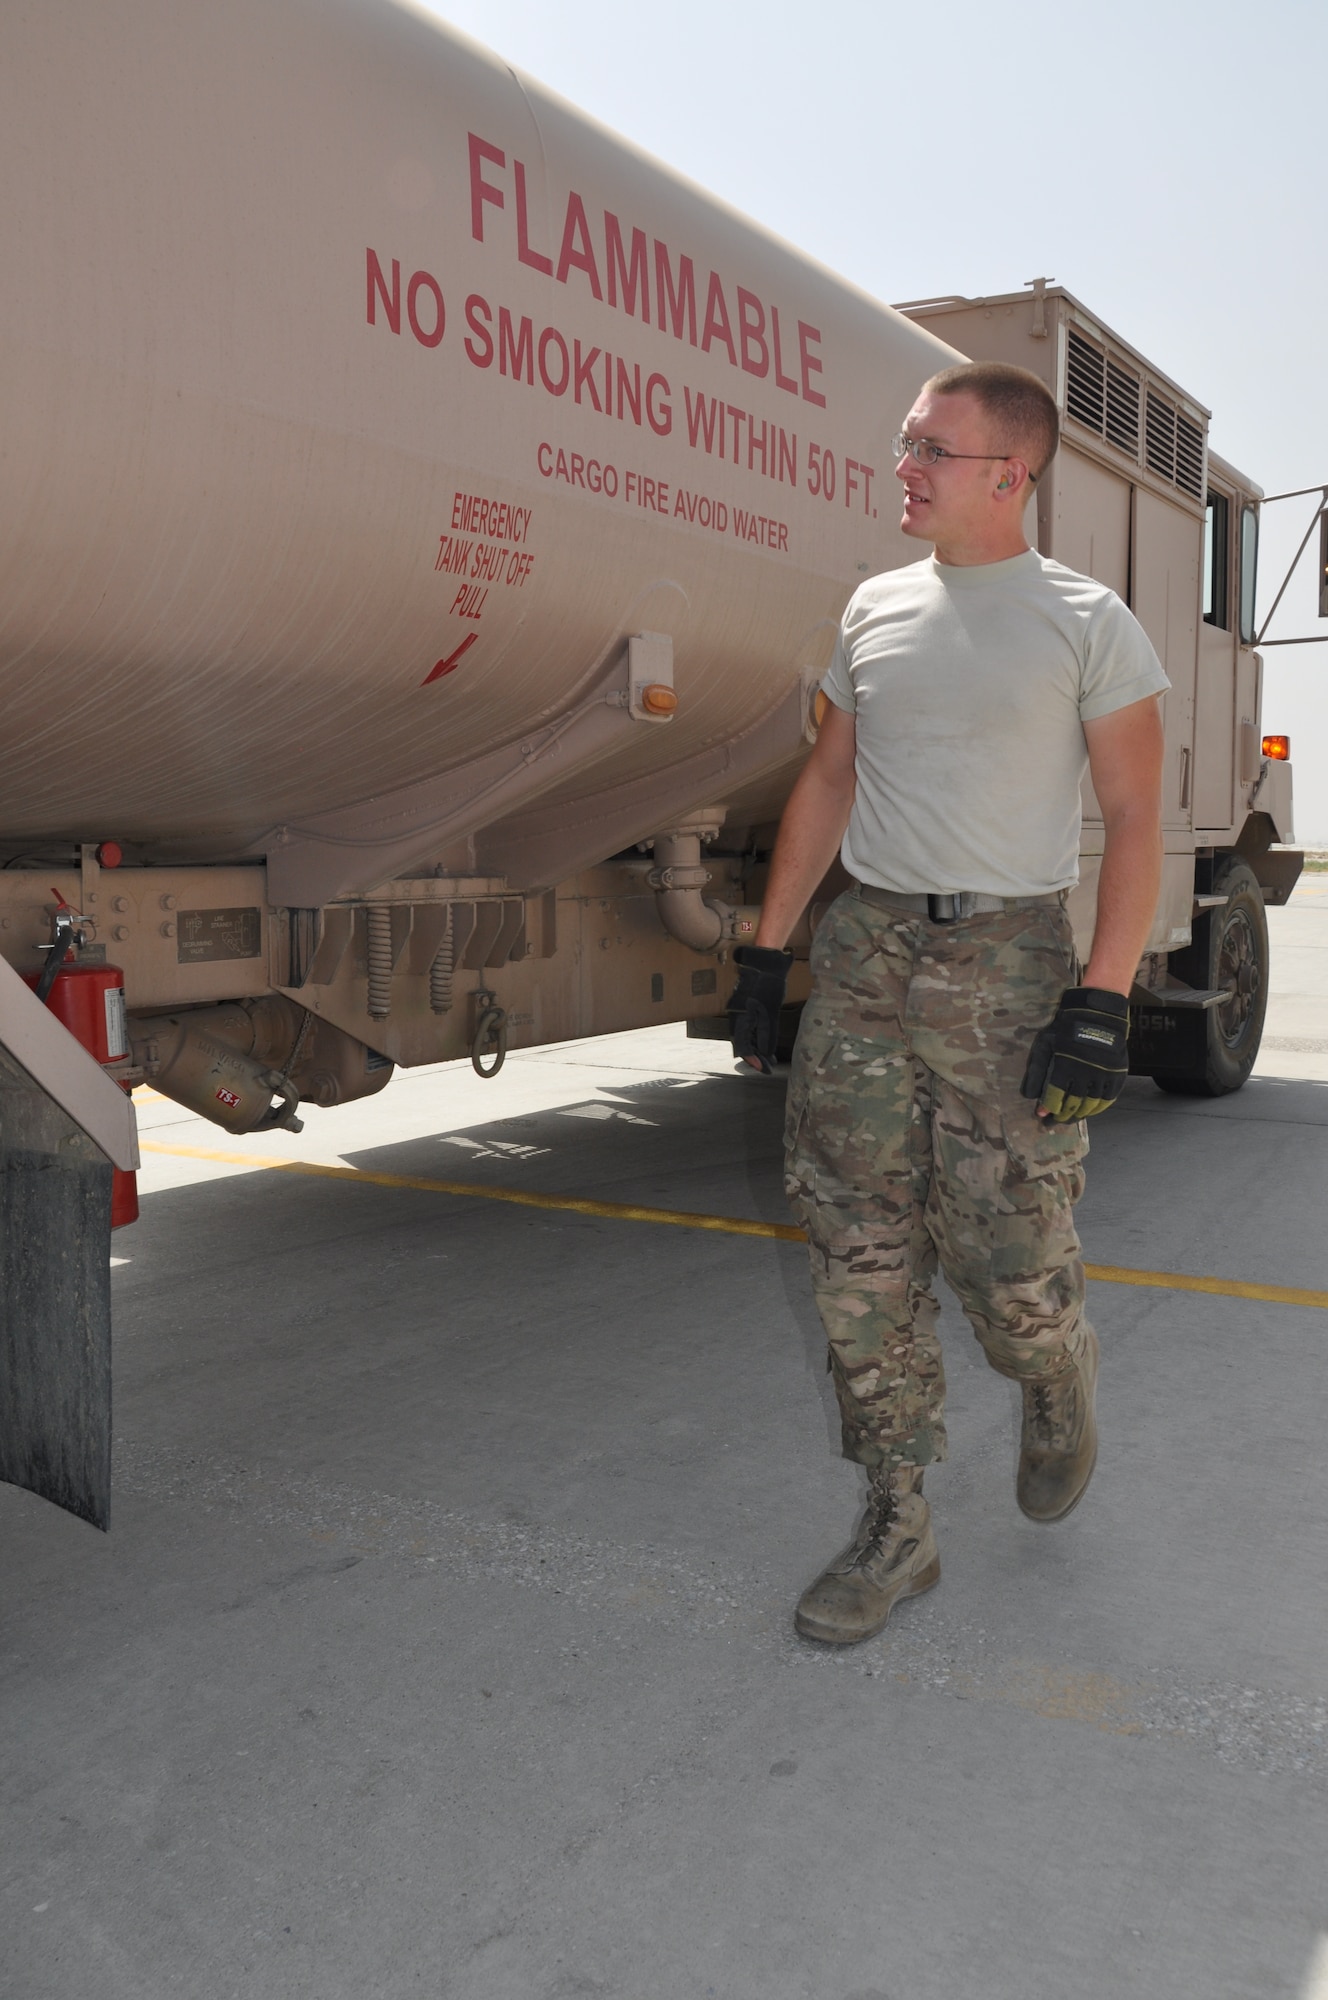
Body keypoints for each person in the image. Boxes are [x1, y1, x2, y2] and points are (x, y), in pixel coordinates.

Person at [727, 360, 1168, 1646]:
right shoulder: (871, 608)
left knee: (1008, 1257)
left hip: (1009, 961)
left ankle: (1052, 1366)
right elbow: (827, 777)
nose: (902, 465)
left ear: (1005, 475)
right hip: (866, 952)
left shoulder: (1086, 620)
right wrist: (768, 954)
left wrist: (1102, 996)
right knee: (855, 1243)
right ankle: (896, 1519)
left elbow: (1135, 818)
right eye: (905, 440)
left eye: (930, 446)